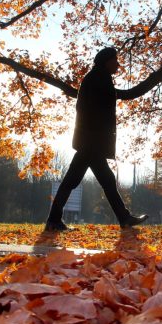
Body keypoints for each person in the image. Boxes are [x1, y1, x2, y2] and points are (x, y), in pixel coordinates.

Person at [45, 47, 148, 231]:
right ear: (107, 61)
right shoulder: (98, 79)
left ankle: (123, 218)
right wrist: (95, 137)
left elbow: (107, 99)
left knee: (101, 180)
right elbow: (91, 110)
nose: (118, 64)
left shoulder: (98, 78)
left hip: (90, 142)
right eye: (115, 60)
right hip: (91, 143)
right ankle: (54, 220)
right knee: (81, 181)